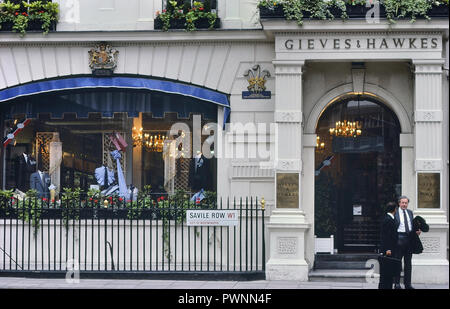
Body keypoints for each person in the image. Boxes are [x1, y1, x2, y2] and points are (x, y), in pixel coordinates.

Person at [393, 195, 420, 289]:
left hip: (409, 240)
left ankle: (407, 284)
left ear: (407, 204)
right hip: (399, 239)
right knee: (397, 262)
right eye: (402, 202)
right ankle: (396, 283)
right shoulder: (394, 213)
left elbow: (412, 226)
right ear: (399, 203)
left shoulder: (410, 213)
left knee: (408, 263)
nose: (404, 204)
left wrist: (416, 231)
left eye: (406, 203)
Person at [378, 202, 399, 289]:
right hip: (389, 249)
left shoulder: (389, 218)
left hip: (390, 248)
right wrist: (388, 249)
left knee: (388, 271)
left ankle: (387, 286)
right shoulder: (388, 220)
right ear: (394, 209)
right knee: (387, 271)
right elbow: (386, 236)